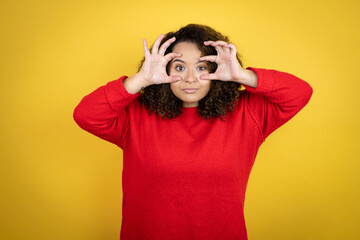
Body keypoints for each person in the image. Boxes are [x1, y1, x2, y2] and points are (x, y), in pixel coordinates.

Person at [73, 24, 313, 240]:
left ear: (218, 69)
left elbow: (300, 93)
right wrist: (142, 79)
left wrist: (241, 75)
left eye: (201, 67)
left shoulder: (247, 112)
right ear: (164, 70)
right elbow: (86, 115)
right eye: (179, 67)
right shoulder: (135, 115)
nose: (190, 78)